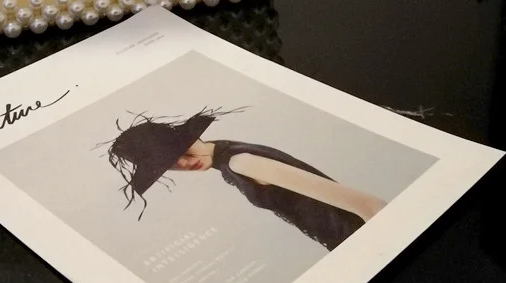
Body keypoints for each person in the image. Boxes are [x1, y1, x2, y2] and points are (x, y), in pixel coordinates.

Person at [102, 108, 387, 251]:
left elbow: (367, 205)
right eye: (171, 163)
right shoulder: (232, 154)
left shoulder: (240, 162)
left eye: (181, 151)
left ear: (188, 137)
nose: (187, 163)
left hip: (366, 242)